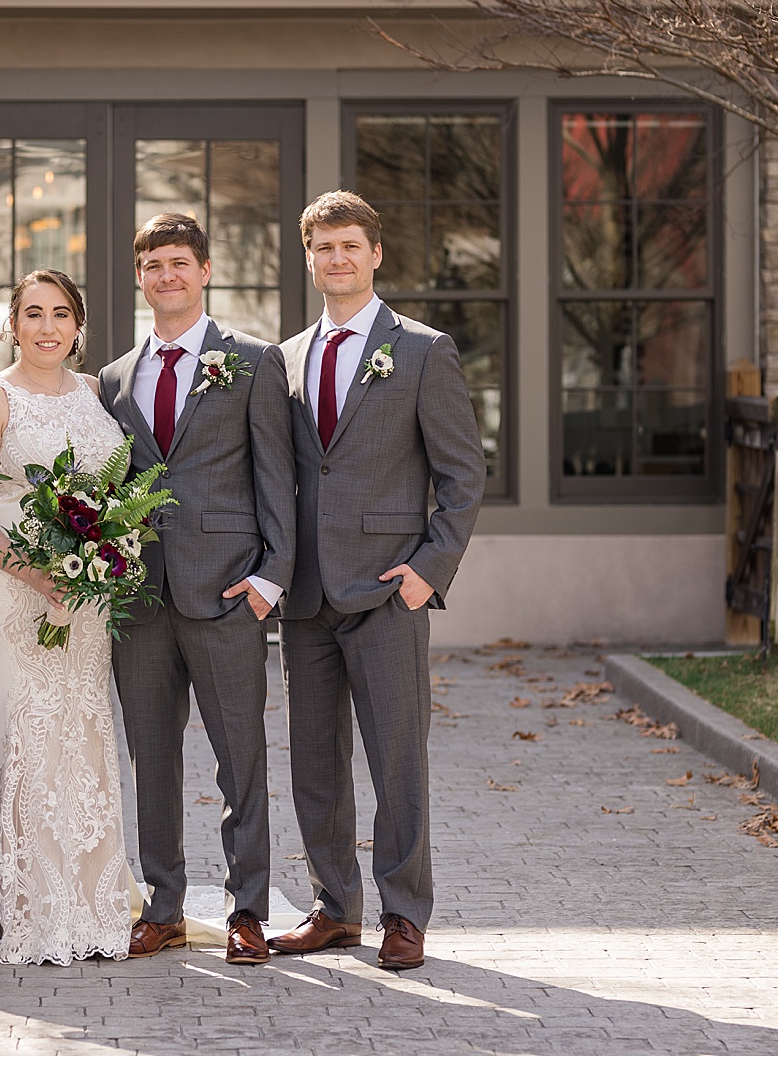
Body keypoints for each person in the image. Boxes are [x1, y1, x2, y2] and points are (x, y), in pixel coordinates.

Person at [268, 191, 484, 972]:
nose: (338, 259)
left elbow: (463, 474)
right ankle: (334, 906)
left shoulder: (423, 350)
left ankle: (403, 913)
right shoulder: (284, 358)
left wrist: (429, 571)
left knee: (398, 762)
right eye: (323, 247)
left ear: (376, 253)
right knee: (315, 762)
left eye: (350, 246)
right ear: (309, 257)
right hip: (306, 595)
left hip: (390, 593)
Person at [96, 213, 295, 966]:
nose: (166, 275)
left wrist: (271, 577)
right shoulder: (115, 378)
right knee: (152, 757)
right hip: (140, 600)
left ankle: (247, 910)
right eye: (153, 264)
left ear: (204, 270)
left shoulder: (250, 361)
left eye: (179, 262)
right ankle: (165, 905)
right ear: (140, 277)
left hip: (226, 595)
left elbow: (277, 474)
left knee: (240, 757)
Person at [0, 269, 136, 965]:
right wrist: (33, 569)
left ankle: (88, 895)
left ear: (78, 326)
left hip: (85, 595)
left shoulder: (94, 395)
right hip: (12, 589)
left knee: (82, 725)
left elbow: (116, 491)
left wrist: (102, 552)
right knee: (17, 723)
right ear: (11, 324)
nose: (48, 326)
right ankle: (14, 899)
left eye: (61, 313)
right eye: (33, 313)